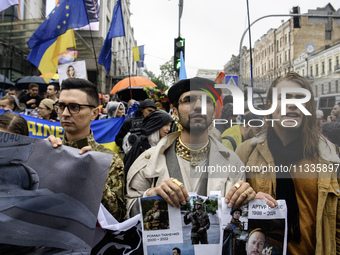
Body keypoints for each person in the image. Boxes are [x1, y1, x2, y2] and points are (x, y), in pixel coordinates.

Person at [235, 72, 340, 254]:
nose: (292, 104)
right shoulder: (246, 152)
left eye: (300, 98)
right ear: (269, 105)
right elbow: (231, 213)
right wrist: (248, 202)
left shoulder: (330, 156)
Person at [125, 77, 256, 217]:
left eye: (206, 101)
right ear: (175, 112)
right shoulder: (147, 162)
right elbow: (128, 214)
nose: (199, 106)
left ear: (213, 113)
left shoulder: (233, 164)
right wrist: (150, 197)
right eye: (188, 100)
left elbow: (239, 221)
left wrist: (249, 202)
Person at [46, 78, 126, 222]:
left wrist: (92, 174)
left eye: (74, 107)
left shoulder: (109, 159)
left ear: (94, 113)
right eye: (61, 106)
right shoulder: (48, 149)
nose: (65, 113)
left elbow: (117, 216)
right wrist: (40, 157)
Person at [123, 110, 173, 176]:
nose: (168, 129)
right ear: (156, 124)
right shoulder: (141, 144)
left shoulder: (166, 143)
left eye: (170, 125)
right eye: (166, 125)